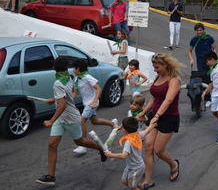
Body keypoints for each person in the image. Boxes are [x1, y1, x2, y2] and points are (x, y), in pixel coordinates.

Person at [36, 57, 106, 186]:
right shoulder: (68, 76)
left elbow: (62, 105)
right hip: (61, 118)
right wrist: (55, 99)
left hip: (70, 117)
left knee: (80, 141)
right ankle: (50, 176)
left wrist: (51, 121)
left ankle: (101, 148)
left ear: (54, 68)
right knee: (52, 144)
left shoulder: (58, 82)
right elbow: (67, 96)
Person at [136, 53, 181, 189]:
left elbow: (168, 100)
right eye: (154, 67)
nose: (155, 70)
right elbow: (154, 98)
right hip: (154, 116)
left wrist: (157, 116)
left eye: (157, 67)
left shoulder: (174, 80)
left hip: (168, 118)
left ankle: (174, 164)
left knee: (159, 150)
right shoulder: (158, 76)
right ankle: (148, 180)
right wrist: (143, 112)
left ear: (165, 65)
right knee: (148, 147)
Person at [72, 58, 118, 155]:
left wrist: (94, 101)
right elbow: (74, 93)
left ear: (78, 68)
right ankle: (113, 124)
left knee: (82, 120)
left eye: (74, 68)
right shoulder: (77, 78)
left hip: (92, 103)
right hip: (87, 103)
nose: (72, 69)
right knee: (94, 121)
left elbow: (98, 89)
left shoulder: (87, 77)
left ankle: (83, 145)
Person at [104, 117, 157, 190]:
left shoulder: (128, 142)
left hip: (136, 168)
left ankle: (137, 187)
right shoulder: (138, 134)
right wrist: (152, 125)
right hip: (130, 166)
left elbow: (123, 155)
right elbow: (147, 131)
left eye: (122, 127)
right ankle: (142, 187)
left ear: (125, 130)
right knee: (124, 181)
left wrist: (110, 155)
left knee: (132, 187)